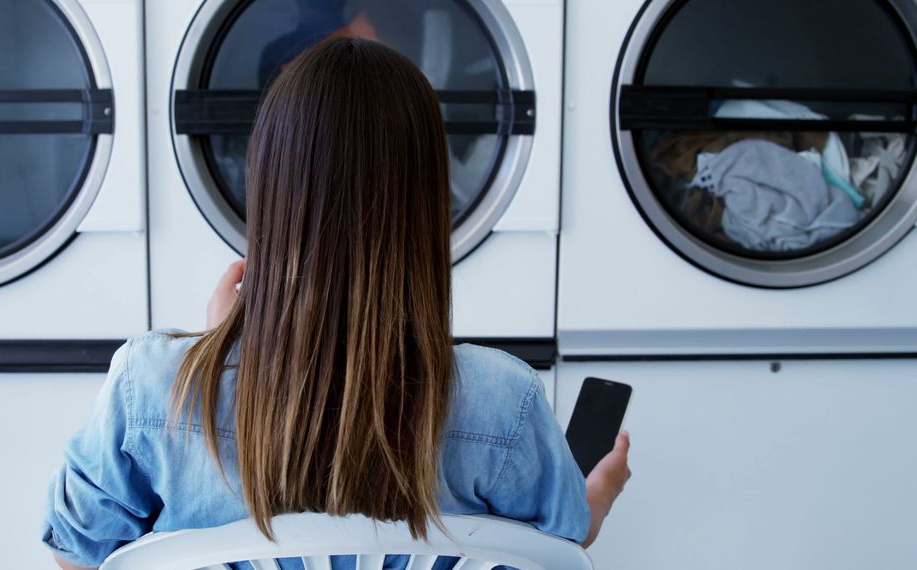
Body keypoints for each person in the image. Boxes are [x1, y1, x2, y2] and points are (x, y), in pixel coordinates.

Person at [42, 37, 631, 570]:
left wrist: (213, 359)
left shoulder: (149, 387)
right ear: (427, 205)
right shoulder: (503, 400)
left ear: (269, 186)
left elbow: (75, 557)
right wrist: (597, 494)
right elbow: (561, 550)